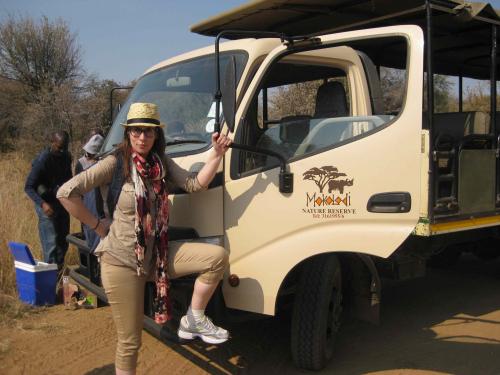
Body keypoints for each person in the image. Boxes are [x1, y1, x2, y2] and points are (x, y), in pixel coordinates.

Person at [57, 102, 232, 375]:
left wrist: (217, 154)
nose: (142, 137)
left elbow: (195, 184)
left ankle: (194, 318)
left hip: (155, 257)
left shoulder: (161, 164)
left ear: (156, 135)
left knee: (216, 258)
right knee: (130, 342)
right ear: (128, 134)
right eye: (136, 131)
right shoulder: (115, 163)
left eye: (148, 132)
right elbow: (66, 193)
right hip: (121, 262)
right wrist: (97, 225)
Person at [24, 130, 72, 269]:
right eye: (59, 147)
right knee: (51, 245)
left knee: (63, 243)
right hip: (45, 204)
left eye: (65, 147)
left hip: (61, 202)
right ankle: (51, 285)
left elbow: (68, 179)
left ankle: (60, 278)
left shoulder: (66, 157)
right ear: (52, 143)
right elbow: (28, 187)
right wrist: (43, 204)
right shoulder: (42, 160)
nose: (62, 150)